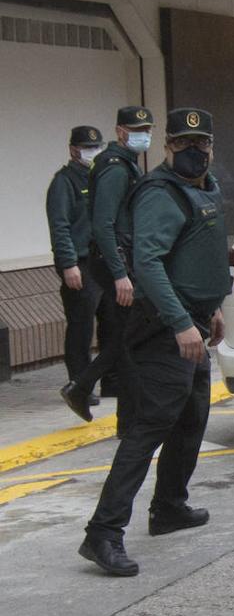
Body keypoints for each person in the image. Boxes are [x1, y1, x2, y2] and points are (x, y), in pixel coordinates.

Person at [79, 107, 231, 577]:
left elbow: (197, 255)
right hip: (167, 327)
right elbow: (148, 262)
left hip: (197, 321)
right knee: (148, 429)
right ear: (168, 147)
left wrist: (212, 310)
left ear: (211, 146)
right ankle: (102, 534)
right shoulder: (160, 194)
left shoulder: (204, 187)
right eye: (183, 144)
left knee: (191, 418)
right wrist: (183, 323)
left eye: (201, 143)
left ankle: (168, 507)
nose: (193, 151)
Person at [60, 106, 152, 423]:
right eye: (138, 130)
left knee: (125, 337)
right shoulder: (115, 168)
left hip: (119, 260)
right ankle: (84, 387)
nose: (145, 136)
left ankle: (121, 413)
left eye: (148, 129)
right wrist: (120, 274)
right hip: (116, 263)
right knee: (128, 336)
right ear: (121, 132)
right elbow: (103, 225)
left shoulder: (124, 164)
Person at [49, 126, 106, 407]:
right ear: (73, 149)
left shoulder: (98, 178)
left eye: (96, 147)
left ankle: (111, 380)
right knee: (81, 327)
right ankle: (79, 382)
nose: (92, 152)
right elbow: (60, 227)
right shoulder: (64, 182)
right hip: (80, 263)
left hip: (102, 262)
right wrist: (68, 263)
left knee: (111, 324)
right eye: (87, 147)